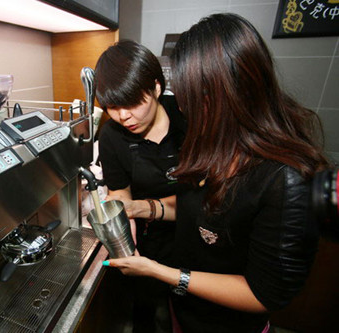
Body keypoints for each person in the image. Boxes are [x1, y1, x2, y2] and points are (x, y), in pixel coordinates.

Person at [103, 13, 330, 333]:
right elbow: (200, 210)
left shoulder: (286, 180)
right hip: (186, 309)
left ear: (224, 95)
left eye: (188, 97)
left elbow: (264, 294)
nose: (181, 107)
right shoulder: (217, 145)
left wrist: (162, 272)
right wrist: (142, 207)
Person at [95, 40, 187, 332]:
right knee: (146, 312)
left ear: (157, 88)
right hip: (151, 240)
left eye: (132, 103)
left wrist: (146, 208)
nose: (123, 117)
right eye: (112, 106)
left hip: (195, 235)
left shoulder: (189, 117)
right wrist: (125, 241)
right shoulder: (111, 136)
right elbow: (120, 195)